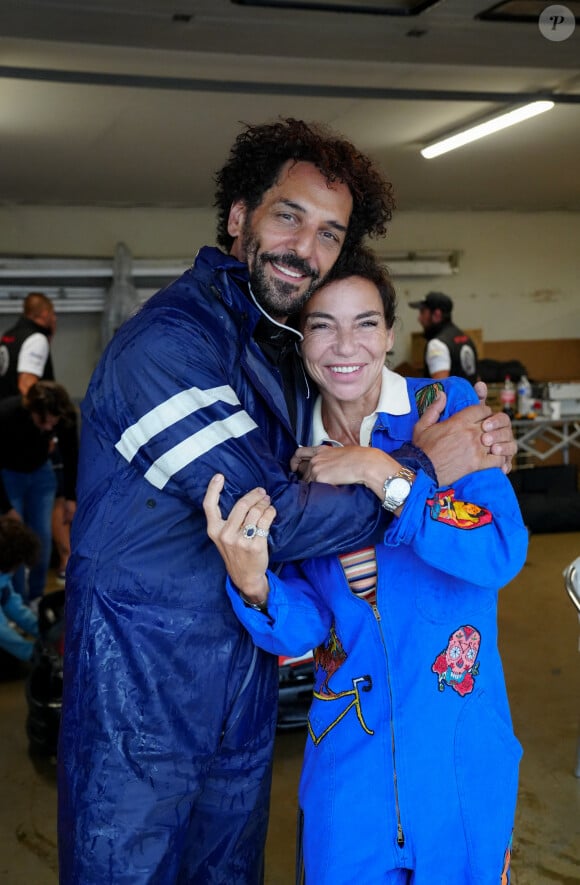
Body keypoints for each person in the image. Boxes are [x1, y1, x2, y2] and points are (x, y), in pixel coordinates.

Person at [58, 117, 517, 885]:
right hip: (148, 693)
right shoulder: (172, 349)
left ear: (392, 331)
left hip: (310, 713)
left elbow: (499, 549)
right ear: (240, 217)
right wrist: (405, 473)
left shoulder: (413, 399)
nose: (305, 247)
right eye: (287, 215)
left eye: (330, 234)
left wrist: (401, 467)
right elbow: (276, 533)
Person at [204, 248, 528, 885]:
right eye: (323, 324)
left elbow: (498, 551)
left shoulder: (447, 407)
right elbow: (303, 630)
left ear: (389, 333)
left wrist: (382, 473)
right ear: (300, 340)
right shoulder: (285, 457)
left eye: (366, 322)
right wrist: (253, 581)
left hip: (460, 753)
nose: (344, 344)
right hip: (349, 764)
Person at [0, 290, 74, 584]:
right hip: (12, 455)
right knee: (21, 539)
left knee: (36, 535)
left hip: (30, 457)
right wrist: (40, 422)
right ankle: (21, 603)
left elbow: (72, 449)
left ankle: (30, 603)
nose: (54, 322)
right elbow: (27, 383)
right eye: (53, 316)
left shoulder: (8, 336)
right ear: (44, 316)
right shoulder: (37, 337)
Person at [0, 381, 78, 607]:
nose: (48, 427)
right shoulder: (6, 414)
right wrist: (7, 508)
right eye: (43, 420)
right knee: (14, 541)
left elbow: (71, 456)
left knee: (41, 538)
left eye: (54, 422)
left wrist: (71, 498)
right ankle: (16, 601)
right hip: (8, 475)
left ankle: (35, 598)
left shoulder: (63, 416)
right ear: (31, 410)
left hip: (41, 473)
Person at [409, 290, 479, 383]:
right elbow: (476, 379)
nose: (419, 318)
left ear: (437, 315)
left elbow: (440, 390)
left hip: (452, 398)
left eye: (422, 312)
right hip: (470, 397)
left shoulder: (437, 345)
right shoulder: (466, 338)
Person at [0, 292, 57, 398]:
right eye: (52, 313)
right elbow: (26, 385)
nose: (54, 318)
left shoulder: (9, 335)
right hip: (20, 412)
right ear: (45, 314)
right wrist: (43, 412)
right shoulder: (36, 339)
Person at [0, 517, 41, 662]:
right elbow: (1, 631)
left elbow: (11, 603)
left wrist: (42, 630)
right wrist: (33, 654)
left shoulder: (2, 574)